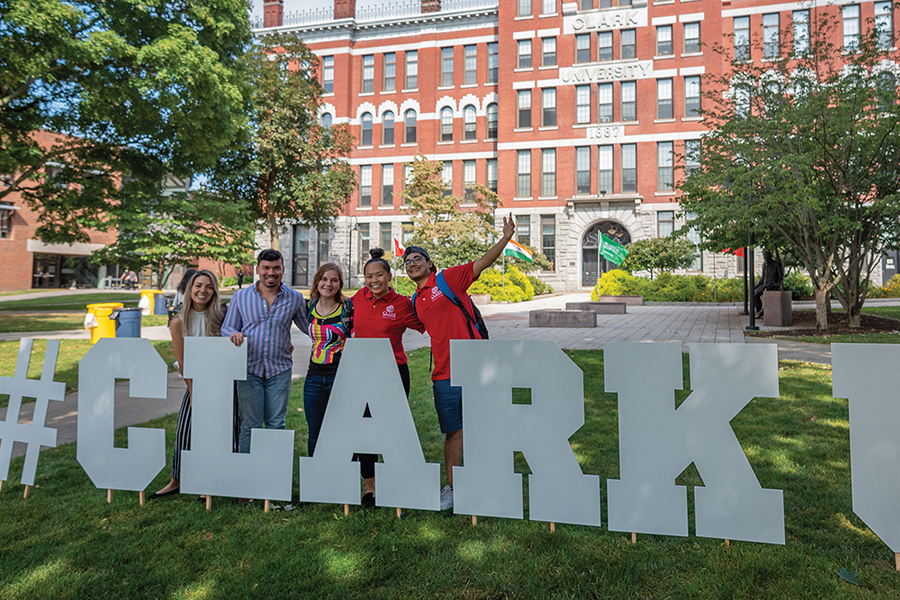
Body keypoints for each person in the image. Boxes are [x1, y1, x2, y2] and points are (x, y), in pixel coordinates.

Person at [404, 216, 515, 510]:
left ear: (430, 264)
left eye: (418, 259)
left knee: (486, 426)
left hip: (477, 368)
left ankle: (488, 482)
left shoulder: (448, 279)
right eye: (407, 262)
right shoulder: (415, 301)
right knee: (453, 431)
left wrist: (505, 238)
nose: (412, 263)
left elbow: (482, 263)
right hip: (443, 374)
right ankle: (452, 486)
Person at [350, 248, 425, 508]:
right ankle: (370, 489)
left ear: (389, 276)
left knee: (393, 429)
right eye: (368, 276)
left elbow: (429, 323)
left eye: (379, 274)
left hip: (394, 373)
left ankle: (400, 482)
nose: (373, 280)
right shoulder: (358, 299)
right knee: (366, 431)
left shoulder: (403, 304)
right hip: (361, 373)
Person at [223, 249, 308, 454]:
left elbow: (310, 328)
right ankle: (246, 475)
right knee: (249, 426)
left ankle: (274, 476)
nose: (271, 272)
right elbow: (227, 327)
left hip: (279, 370)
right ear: (258, 269)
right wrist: (234, 334)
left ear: (283, 269)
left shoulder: (295, 298)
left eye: (276, 268)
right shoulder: (241, 297)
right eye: (266, 268)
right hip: (248, 370)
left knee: (276, 424)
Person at [149, 270, 225, 499]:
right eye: (198, 285)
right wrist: (193, 391)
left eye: (209, 287)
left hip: (221, 382)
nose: (203, 290)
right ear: (190, 289)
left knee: (218, 433)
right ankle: (177, 480)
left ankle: (211, 479)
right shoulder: (179, 322)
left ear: (214, 292)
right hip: (195, 382)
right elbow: (183, 363)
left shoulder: (221, 317)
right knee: (186, 430)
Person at [303, 263, 351, 461]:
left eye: (334, 280)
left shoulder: (347, 309)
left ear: (340, 284)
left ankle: (339, 475)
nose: (328, 284)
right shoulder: (310, 306)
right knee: (314, 432)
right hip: (313, 377)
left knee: (342, 430)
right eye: (324, 279)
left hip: (339, 376)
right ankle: (315, 480)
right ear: (317, 282)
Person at [754, 251, 784, 318]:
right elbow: (763, 277)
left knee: (770, 297)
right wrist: (756, 286)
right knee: (755, 293)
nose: (766, 258)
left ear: (770, 257)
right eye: (765, 257)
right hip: (766, 284)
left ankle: (763, 311)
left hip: (774, 285)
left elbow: (781, 276)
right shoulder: (765, 265)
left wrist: (777, 284)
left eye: (767, 257)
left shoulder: (776, 264)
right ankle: (759, 311)